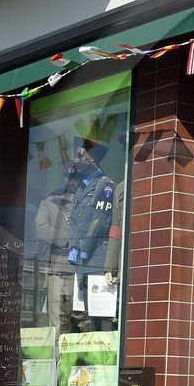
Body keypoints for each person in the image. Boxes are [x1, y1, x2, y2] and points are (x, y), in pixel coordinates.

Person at [66, 139, 117, 329]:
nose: (76, 160)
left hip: (96, 258)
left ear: (93, 158)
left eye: (81, 156)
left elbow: (99, 222)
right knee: (86, 313)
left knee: (101, 315)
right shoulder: (82, 188)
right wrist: (73, 249)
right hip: (81, 261)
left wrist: (84, 249)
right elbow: (73, 220)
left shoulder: (105, 186)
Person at [33, 164, 80, 331]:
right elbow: (41, 228)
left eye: (75, 177)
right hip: (58, 264)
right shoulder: (52, 200)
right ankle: (57, 356)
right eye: (68, 177)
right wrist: (67, 238)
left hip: (83, 267)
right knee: (57, 320)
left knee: (81, 318)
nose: (72, 181)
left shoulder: (88, 201)